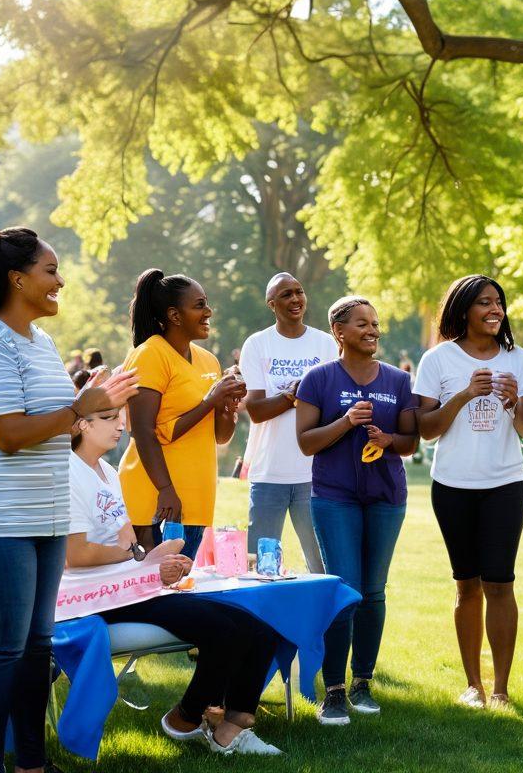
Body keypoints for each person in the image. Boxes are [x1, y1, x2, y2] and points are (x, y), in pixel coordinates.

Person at [0, 226, 137, 773]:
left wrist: (91, 397)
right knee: (4, 648)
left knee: (36, 647)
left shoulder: (40, 342)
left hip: (46, 513)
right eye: (50, 271)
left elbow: (53, 421)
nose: (60, 281)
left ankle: (32, 763)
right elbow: (9, 433)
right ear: (16, 278)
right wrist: (80, 408)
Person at [67, 404, 283, 755]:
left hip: (130, 588)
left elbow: (127, 543)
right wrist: (141, 561)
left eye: (120, 416)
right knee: (223, 631)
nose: (121, 424)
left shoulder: (107, 470)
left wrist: (157, 561)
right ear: (82, 425)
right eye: (108, 418)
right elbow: (76, 555)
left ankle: (233, 725)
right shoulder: (68, 473)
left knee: (259, 629)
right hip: (96, 598)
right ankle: (185, 717)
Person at [414, 275, 523, 708]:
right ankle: (474, 685)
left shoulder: (519, 359)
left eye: (499, 302)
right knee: (466, 586)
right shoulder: (438, 360)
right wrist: (466, 394)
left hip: (505, 485)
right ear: (463, 309)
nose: (495, 309)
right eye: (484, 302)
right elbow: (426, 431)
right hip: (452, 486)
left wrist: (512, 402)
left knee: (500, 584)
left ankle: (502, 689)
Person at [296, 296, 419, 725]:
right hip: (334, 497)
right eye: (361, 324)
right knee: (345, 590)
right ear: (339, 332)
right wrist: (346, 422)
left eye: (375, 323)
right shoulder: (318, 379)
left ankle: (363, 681)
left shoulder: (398, 381)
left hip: (386, 497)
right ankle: (333, 690)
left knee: (373, 591)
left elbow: (411, 442)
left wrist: (389, 440)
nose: (372, 330)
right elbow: (307, 442)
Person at [120, 269, 246, 559]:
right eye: (199, 305)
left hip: (196, 496)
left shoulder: (208, 360)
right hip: (157, 496)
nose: (209, 311)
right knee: (152, 591)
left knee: (179, 590)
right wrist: (166, 489)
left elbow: (220, 435)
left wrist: (226, 404)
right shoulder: (150, 354)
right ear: (175, 316)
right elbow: (143, 430)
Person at [240, 273, 337, 574]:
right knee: (261, 567)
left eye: (299, 291)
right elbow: (255, 410)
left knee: (321, 565)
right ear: (272, 304)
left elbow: (332, 407)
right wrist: (294, 395)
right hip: (269, 473)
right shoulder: (258, 344)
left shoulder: (325, 344)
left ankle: (327, 622)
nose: (295, 299)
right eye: (286, 294)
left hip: (316, 473)